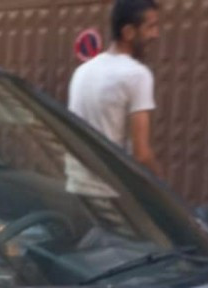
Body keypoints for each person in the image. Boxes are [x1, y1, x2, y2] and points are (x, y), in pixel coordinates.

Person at [67, 0, 161, 175]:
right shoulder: (137, 74)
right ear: (128, 32)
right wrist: (162, 189)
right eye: (150, 27)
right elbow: (141, 154)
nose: (156, 34)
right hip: (110, 188)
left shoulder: (82, 71)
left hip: (76, 183)